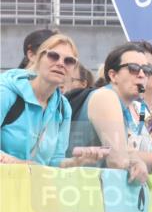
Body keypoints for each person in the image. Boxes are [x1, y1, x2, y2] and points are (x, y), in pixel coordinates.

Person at [69, 42, 152, 183]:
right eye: (133, 68)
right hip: (84, 192)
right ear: (113, 75)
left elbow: (140, 154)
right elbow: (118, 159)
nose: (142, 74)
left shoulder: (137, 107)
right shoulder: (107, 97)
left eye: (148, 68)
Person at [1, 33, 105, 167]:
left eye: (69, 61)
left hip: (34, 185)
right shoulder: (6, 92)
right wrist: (21, 164)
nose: (61, 63)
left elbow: (55, 161)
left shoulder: (63, 107)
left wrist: (77, 161)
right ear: (38, 59)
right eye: (53, 56)